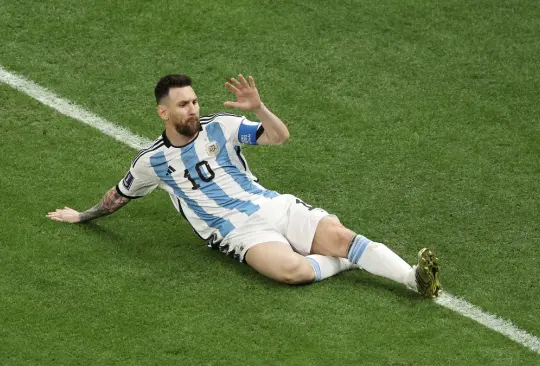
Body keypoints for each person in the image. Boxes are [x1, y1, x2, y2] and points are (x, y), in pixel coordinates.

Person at [47, 74, 441, 298]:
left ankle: (412, 278)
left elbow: (279, 137)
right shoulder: (152, 162)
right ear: (163, 112)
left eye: (195, 101)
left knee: (341, 234)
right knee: (292, 272)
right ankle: (349, 259)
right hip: (237, 232)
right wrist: (82, 216)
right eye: (184, 105)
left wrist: (259, 109)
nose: (194, 109)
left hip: (270, 205)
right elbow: (118, 197)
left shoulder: (223, 125)